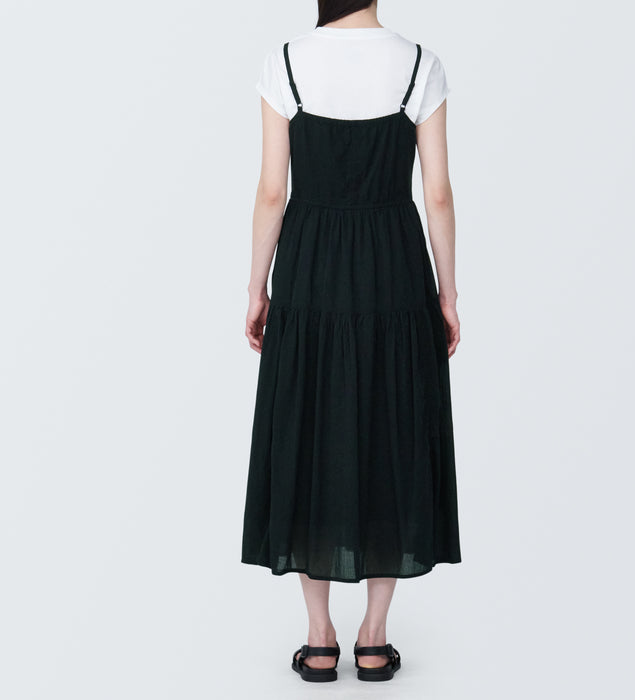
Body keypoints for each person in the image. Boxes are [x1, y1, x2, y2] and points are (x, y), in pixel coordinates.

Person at [241, 0, 462, 683]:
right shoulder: (420, 64)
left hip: (309, 267)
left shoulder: (285, 63)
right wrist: (448, 295)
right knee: (389, 428)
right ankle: (374, 636)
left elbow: (272, 191)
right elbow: (438, 193)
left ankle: (318, 639)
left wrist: (256, 287)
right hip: (394, 265)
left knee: (309, 427)